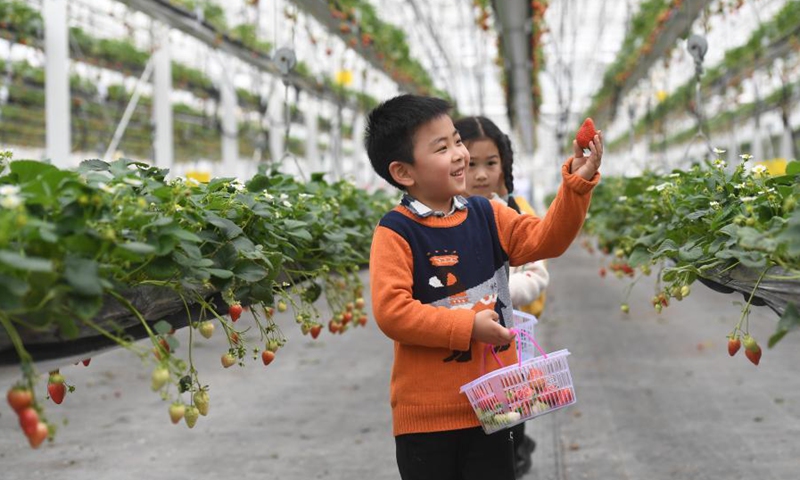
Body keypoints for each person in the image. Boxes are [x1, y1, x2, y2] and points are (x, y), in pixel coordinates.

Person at [365, 94, 602, 480]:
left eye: (456, 140)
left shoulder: (488, 213)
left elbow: (547, 239)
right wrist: (468, 327)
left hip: (495, 405)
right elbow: (392, 312)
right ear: (404, 172)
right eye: (442, 148)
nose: (460, 154)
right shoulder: (396, 232)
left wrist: (577, 182)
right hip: (428, 419)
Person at [456, 115, 548, 477]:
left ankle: (516, 449)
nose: (480, 175)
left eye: (490, 163)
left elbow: (537, 274)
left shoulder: (516, 212)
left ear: (504, 166)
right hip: (460, 339)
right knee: (466, 420)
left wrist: (496, 296)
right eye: (470, 163)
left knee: (508, 413)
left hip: (510, 337)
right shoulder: (440, 217)